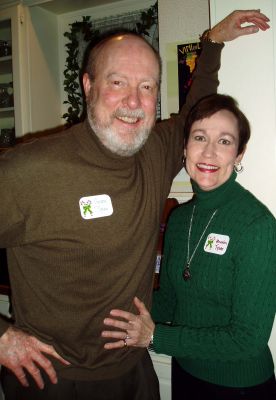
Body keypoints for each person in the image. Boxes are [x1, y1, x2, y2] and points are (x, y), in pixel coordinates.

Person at [0, 9, 270, 400]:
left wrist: (212, 42)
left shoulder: (154, 151)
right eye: (117, 82)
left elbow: (198, 114)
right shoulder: (30, 170)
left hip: (135, 373)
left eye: (147, 86)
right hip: (54, 381)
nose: (133, 100)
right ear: (88, 85)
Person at [102, 94, 276, 400]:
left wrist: (156, 336)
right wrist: (118, 309)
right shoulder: (180, 220)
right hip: (185, 374)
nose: (209, 152)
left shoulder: (257, 226)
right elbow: (169, 300)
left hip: (239, 386)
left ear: (239, 155)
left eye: (224, 141)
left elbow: (248, 339)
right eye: (200, 137)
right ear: (185, 149)